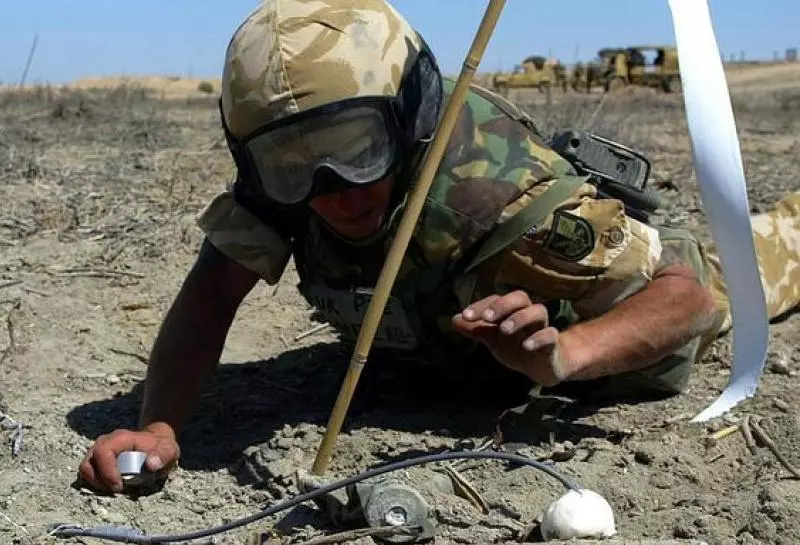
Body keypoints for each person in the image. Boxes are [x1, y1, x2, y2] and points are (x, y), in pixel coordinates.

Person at [78, 0, 800, 493]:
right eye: (298, 165)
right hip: (455, 353)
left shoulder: (498, 190)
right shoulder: (286, 177)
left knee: (768, 257)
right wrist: (158, 425)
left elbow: (686, 300)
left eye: (360, 149)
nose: (337, 191)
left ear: (409, 114)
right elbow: (209, 296)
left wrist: (563, 358)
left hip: (620, 305)